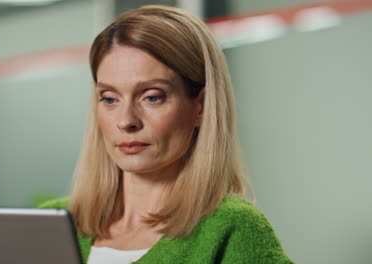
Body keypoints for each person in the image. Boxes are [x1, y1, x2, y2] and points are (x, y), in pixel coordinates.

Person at [41, 5, 294, 264]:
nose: (126, 121)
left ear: (201, 106)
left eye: (152, 97)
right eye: (109, 99)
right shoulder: (48, 224)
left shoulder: (233, 229)